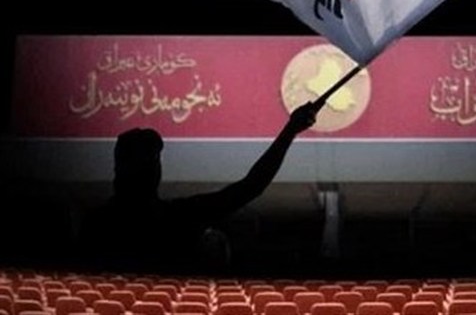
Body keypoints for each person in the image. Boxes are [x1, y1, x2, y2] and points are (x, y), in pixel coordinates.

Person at [80, 102, 318, 272]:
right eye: (151, 162)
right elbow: (250, 187)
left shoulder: (94, 225)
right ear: (155, 172)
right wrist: (290, 130)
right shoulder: (177, 218)